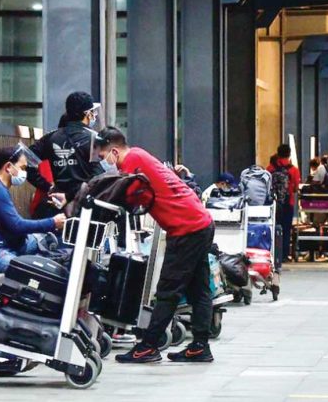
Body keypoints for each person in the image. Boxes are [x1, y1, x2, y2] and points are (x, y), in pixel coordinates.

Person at [97, 126, 216, 364]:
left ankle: (148, 346)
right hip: (199, 222)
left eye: (103, 157)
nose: (104, 162)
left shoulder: (131, 161)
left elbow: (122, 194)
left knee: (167, 290)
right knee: (198, 289)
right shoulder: (139, 155)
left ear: (113, 150)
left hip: (186, 229)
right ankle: (200, 346)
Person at [0, 146, 67, 273]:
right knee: (34, 272)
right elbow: (17, 225)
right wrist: (52, 222)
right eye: (22, 168)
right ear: (8, 167)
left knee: (47, 240)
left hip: (6, 243)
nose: (24, 173)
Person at [27, 91, 104, 210]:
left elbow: (25, 161)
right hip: (86, 208)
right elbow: (98, 177)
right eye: (92, 111)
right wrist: (70, 195)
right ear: (87, 114)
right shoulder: (95, 138)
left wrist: (48, 187)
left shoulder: (50, 138)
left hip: (58, 205)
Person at [266, 144, 301, 267]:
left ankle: (272, 253)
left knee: (272, 227)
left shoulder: (270, 168)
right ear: (289, 154)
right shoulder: (294, 170)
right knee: (286, 229)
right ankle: (284, 255)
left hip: (273, 204)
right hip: (288, 203)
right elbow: (296, 188)